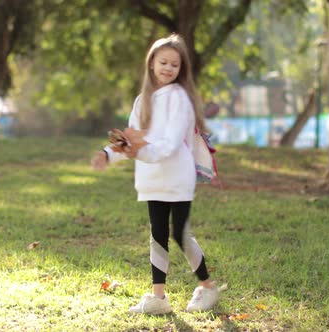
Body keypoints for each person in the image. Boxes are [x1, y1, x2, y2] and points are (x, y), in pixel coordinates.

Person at [91, 34, 219, 315]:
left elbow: (171, 144)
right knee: (157, 234)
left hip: (177, 175)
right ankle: (158, 298)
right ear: (151, 64)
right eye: (163, 62)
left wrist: (141, 153)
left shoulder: (180, 99)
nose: (168, 68)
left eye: (175, 64)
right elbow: (130, 140)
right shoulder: (142, 101)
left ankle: (208, 288)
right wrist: (108, 153)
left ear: (181, 68)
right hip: (151, 177)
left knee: (179, 233)